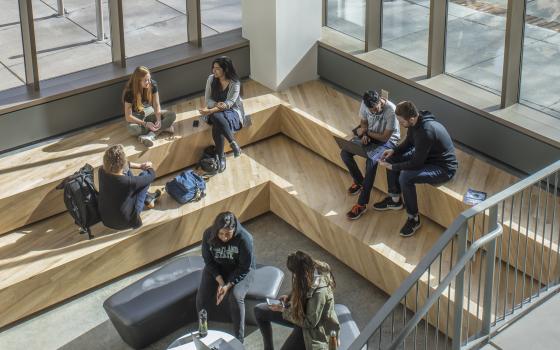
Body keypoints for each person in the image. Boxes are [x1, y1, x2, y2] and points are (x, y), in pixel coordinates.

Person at [375, 101, 458, 237]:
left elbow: (416, 164)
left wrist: (393, 167)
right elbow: (409, 142)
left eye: (402, 122)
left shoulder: (426, 132)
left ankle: (413, 218)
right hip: (427, 157)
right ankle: (395, 200)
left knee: (405, 177)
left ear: (411, 118)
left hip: (443, 168)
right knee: (391, 158)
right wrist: (393, 150)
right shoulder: (416, 122)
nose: (401, 124)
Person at [254, 251, 340, 350]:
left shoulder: (319, 292)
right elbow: (299, 287)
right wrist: (289, 297)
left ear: (303, 272)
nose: (294, 275)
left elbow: (309, 323)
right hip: (298, 311)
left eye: (295, 273)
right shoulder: (305, 272)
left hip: (311, 329)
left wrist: (283, 310)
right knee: (259, 311)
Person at [196, 211, 255, 343]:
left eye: (228, 234)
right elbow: (208, 261)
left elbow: (244, 267)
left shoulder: (245, 239)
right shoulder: (208, 234)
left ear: (234, 230)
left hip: (241, 270)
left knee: (236, 297)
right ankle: (202, 328)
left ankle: (239, 340)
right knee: (201, 297)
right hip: (218, 268)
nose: (224, 237)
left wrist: (228, 285)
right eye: (221, 233)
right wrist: (221, 282)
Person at [341, 90, 400, 220]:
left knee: (371, 163)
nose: (373, 112)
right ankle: (359, 182)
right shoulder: (365, 104)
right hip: (371, 135)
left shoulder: (391, 110)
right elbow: (363, 122)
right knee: (345, 152)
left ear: (380, 101)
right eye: (371, 110)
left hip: (388, 141)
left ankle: (361, 204)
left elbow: (385, 137)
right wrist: (364, 134)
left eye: (375, 109)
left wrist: (366, 132)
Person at [98, 144, 161, 230]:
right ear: (122, 163)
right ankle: (147, 199)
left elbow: (124, 165)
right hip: (126, 222)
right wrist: (148, 166)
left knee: (127, 172)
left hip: (106, 219)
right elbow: (152, 175)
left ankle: (146, 197)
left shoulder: (101, 170)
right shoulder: (129, 182)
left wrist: (139, 166)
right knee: (144, 175)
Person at [198, 56, 244, 173]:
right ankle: (232, 143)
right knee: (217, 117)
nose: (214, 71)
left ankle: (221, 155)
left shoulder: (235, 83)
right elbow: (208, 100)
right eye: (213, 68)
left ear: (225, 69)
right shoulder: (211, 79)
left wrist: (210, 111)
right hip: (215, 109)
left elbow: (229, 103)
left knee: (215, 118)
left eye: (217, 68)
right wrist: (214, 106)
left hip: (232, 112)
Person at [123, 66, 176, 147]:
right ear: (138, 81)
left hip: (150, 112)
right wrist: (145, 124)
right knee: (132, 129)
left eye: (149, 79)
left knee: (172, 115)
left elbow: (156, 104)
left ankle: (150, 135)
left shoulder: (152, 84)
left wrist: (158, 118)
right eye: (146, 80)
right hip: (137, 116)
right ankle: (162, 129)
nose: (149, 81)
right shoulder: (129, 92)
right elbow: (128, 117)